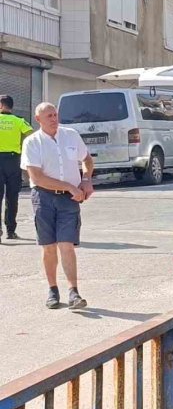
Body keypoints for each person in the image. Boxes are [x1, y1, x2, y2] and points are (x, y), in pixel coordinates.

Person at [20, 103, 94, 309]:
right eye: (49, 116)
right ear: (38, 120)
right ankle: (53, 290)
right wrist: (70, 186)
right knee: (49, 247)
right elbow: (37, 177)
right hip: (43, 197)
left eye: (55, 114)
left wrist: (87, 179)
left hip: (68, 201)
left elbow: (87, 159)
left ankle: (74, 292)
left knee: (66, 244)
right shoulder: (32, 143)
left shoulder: (70, 135)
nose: (54, 119)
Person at [0, 95, 34, 242]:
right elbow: (32, 135)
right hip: (14, 161)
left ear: (1, 105)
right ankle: (11, 231)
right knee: (12, 197)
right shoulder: (19, 121)